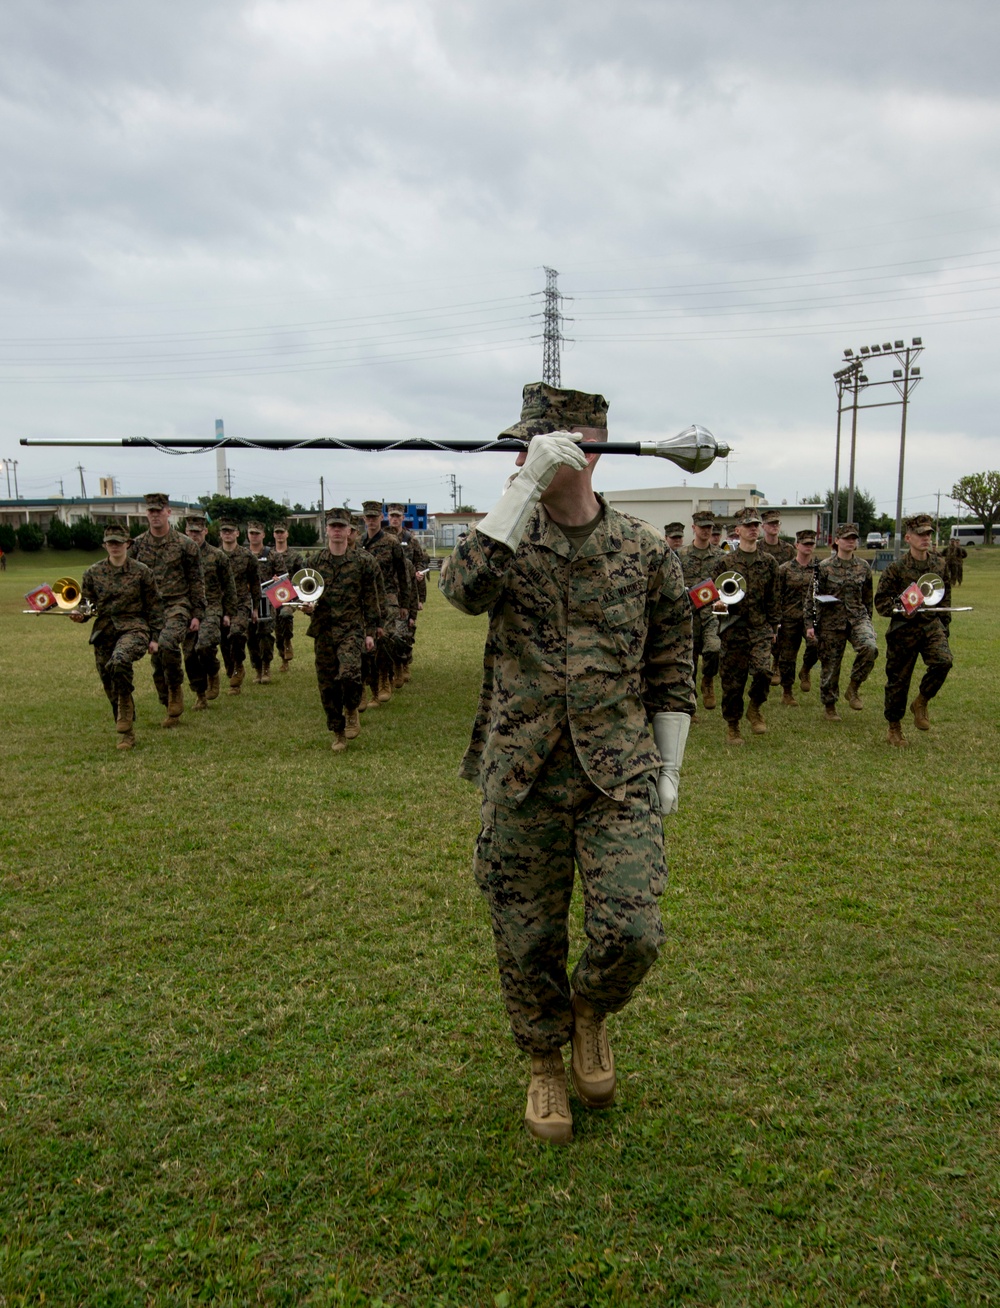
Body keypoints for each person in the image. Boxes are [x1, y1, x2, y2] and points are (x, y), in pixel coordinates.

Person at [440, 382, 695, 1145]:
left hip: (618, 773)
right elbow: (460, 590)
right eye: (522, 447)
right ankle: (545, 1063)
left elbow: (672, 663)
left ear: (588, 450)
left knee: (635, 931)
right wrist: (520, 489)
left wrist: (671, 765)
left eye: (537, 443)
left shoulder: (645, 552)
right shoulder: (507, 537)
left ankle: (589, 1010)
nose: (524, 454)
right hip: (522, 772)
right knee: (525, 937)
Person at [74, 520, 162, 750]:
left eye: (119, 542)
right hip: (104, 631)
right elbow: (87, 605)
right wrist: (79, 614)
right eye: (110, 543)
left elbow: (154, 606)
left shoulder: (142, 572)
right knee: (109, 681)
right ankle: (127, 733)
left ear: (128, 544)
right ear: (105, 545)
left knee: (120, 661)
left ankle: (125, 704)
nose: (115, 547)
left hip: (134, 628)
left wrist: (155, 637)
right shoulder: (93, 573)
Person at [302, 508, 381, 750]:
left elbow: (370, 598)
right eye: (332, 526)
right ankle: (338, 732)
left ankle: (351, 710)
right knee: (327, 684)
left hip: (351, 629)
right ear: (326, 530)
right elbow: (306, 594)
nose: (337, 531)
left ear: (349, 531)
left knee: (349, 674)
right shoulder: (314, 562)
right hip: (324, 629)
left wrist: (370, 631)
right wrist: (307, 607)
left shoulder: (363, 562)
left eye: (341, 527)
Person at [874, 513, 953, 746]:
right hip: (903, 629)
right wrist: (905, 604)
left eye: (929, 534)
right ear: (908, 538)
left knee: (944, 661)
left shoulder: (939, 564)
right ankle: (894, 728)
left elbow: (945, 598)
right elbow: (881, 603)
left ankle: (921, 701)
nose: (926, 538)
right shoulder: (896, 568)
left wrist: (944, 628)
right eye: (921, 534)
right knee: (898, 681)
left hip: (931, 625)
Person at [129, 492, 205, 727]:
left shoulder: (185, 545)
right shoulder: (138, 545)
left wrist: (197, 614)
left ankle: (175, 691)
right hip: (150, 610)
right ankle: (167, 702)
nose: (155, 515)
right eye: (150, 511)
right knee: (157, 658)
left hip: (177, 605)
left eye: (159, 511)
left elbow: (196, 581)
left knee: (168, 644)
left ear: (168, 512)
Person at [710, 506, 779, 744]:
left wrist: (774, 627)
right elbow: (712, 596)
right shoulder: (725, 562)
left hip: (760, 627)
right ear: (737, 530)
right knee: (732, 681)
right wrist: (719, 606)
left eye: (755, 525)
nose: (753, 529)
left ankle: (755, 707)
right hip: (734, 629)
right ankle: (733, 726)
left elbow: (773, 597)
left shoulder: (769, 562)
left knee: (763, 671)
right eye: (748, 525)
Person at [804, 522, 877, 722]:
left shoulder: (863, 567)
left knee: (870, 647)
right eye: (846, 538)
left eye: (853, 538)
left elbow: (867, 598)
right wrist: (810, 624)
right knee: (831, 666)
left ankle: (853, 688)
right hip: (831, 622)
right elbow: (812, 598)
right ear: (837, 541)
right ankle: (830, 706)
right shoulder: (824, 567)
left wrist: (867, 622)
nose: (850, 542)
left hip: (857, 618)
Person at [182, 515, 238, 710]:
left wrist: (228, 613)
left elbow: (229, 587)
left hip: (212, 607)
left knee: (204, 645)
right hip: (187, 609)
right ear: (186, 532)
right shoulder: (181, 557)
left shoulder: (217, 556)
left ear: (205, 531)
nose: (194, 535)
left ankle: (213, 672)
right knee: (189, 654)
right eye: (191, 531)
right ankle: (200, 694)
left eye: (198, 531)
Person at [359, 499, 408, 703]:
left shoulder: (391, 542)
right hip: (363, 600)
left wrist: (405, 604)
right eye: (368, 517)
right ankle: (370, 688)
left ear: (381, 518)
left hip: (387, 597)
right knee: (364, 645)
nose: (371, 520)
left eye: (374, 517)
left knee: (386, 639)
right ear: (364, 519)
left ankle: (384, 680)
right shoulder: (359, 544)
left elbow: (402, 574)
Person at [676, 510, 724, 713]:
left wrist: (723, 599)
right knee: (690, 659)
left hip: (712, 612)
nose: (706, 531)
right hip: (689, 614)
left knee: (714, 649)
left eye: (709, 527)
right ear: (694, 528)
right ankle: (691, 699)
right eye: (702, 527)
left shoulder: (721, 557)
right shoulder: (680, 555)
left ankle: (708, 680)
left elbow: (725, 583)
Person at [775, 530, 821, 706]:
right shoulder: (785, 569)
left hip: (811, 618)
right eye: (805, 544)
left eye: (811, 544)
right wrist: (777, 620)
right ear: (797, 545)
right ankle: (787, 692)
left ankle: (806, 669)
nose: (808, 547)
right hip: (789, 618)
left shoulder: (819, 569)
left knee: (816, 644)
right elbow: (777, 595)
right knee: (787, 657)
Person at [217, 518, 257, 693]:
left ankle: (238, 666)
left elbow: (255, 582)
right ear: (220, 534)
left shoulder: (247, 556)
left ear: (237, 533)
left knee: (236, 634)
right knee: (224, 641)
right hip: (220, 605)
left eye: (230, 531)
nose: (227, 534)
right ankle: (231, 669)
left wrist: (255, 608)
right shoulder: (214, 555)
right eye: (224, 531)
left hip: (241, 603)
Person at [271, 521, 306, 672]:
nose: (279, 535)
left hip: (290, 596)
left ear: (287, 534)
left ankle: (288, 641)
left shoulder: (295, 556)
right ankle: (283, 657)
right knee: (277, 629)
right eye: (277, 532)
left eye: (282, 532)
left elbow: (302, 576)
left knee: (285, 615)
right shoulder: (269, 555)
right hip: (272, 596)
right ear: (273, 535)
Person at [246, 520, 277, 684]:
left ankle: (266, 666)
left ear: (263, 535)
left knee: (264, 634)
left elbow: (284, 578)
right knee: (251, 636)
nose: (254, 536)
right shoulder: (243, 555)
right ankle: (256, 668)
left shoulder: (272, 555)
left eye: (257, 533)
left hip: (267, 599)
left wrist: (277, 579)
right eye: (251, 533)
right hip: (247, 601)